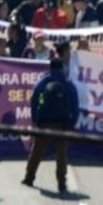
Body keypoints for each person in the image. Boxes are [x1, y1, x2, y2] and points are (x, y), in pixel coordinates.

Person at [23, 58, 80, 193]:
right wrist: (72, 122)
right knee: (62, 154)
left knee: (37, 152)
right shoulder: (68, 84)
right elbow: (74, 105)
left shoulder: (42, 83)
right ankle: (61, 183)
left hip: (45, 123)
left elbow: (35, 102)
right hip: (62, 124)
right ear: (62, 68)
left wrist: (35, 120)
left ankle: (29, 178)